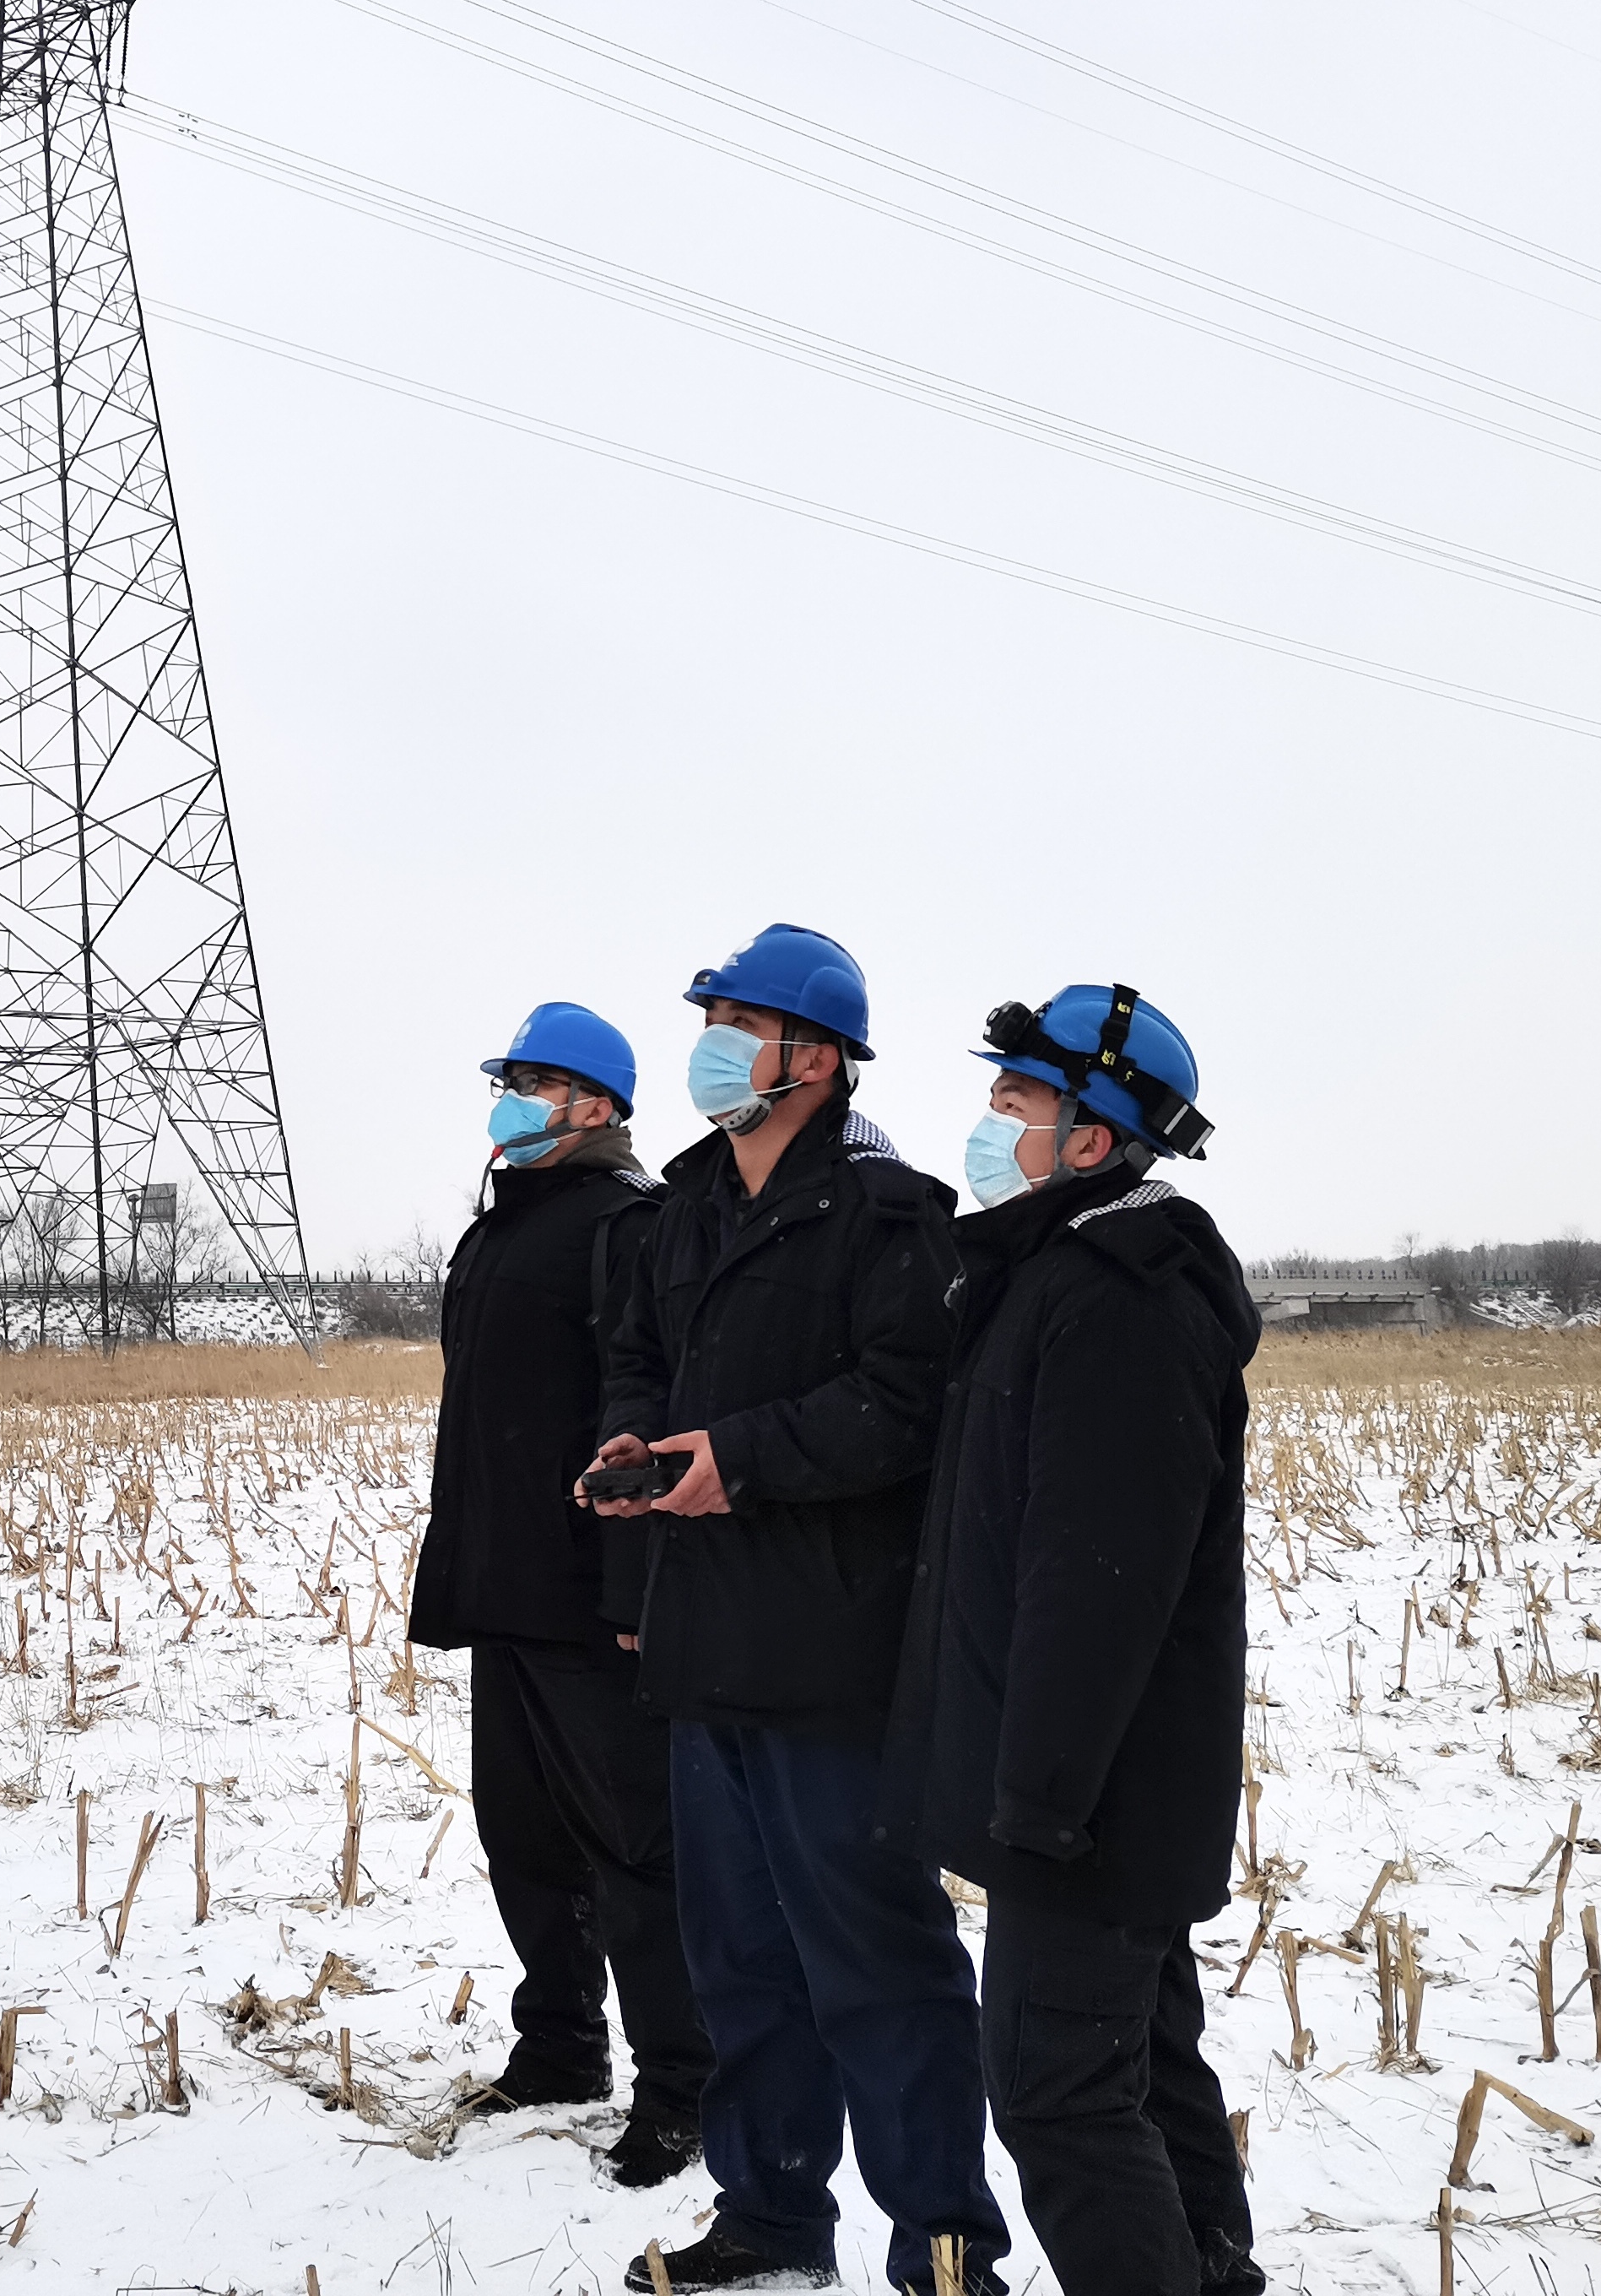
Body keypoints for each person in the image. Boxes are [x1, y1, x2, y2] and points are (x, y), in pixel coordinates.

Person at [589, 925, 1009, 2296]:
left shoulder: (892, 1217)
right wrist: (635, 1442)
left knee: (878, 1966)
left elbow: (905, 1404)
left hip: (833, 1656)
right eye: (706, 1018)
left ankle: (945, 2249)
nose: (710, 1043)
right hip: (703, 1646)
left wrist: (742, 1459)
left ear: (814, 1058)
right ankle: (771, 2220)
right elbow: (638, 1358)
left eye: (736, 1022)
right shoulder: (684, 1206)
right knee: (741, 1963)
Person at [883, 985, 1260, 2296]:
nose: (989, 1122)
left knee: (1061, 2096)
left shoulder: (1121, 1301)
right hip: (1100, 1792)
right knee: (1137, 2068)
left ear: (1090, 1138)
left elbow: (1101, 1582)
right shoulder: (1057, 1277)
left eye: (1017, 1100)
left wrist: (1043, 1803)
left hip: (1092, 1805)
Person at [408, 1002, 710, 2187]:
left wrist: (635, 1591)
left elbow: (646, 1412)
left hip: (591, 1602)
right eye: (511, 1080)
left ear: (595, 1104)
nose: (512, 1100)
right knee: (523, 1839)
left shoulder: (630, 1225)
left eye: (534, 1083)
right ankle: (560, 2045)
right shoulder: (501, 1224)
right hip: (505, 1589)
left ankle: (682, 2084)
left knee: (634, 1849)